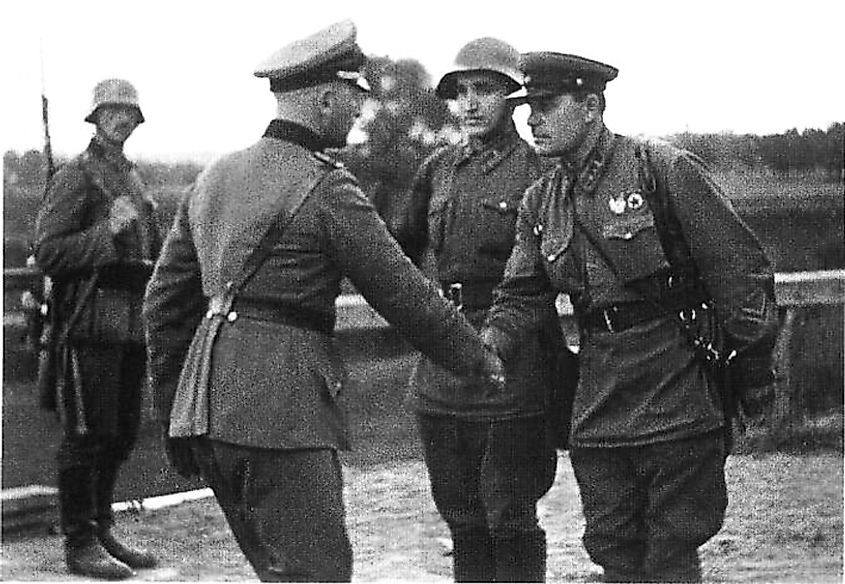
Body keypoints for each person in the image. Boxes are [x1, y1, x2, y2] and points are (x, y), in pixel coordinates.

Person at [142, 20, 504, 583]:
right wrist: (478, 359)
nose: (358, 113)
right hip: (280, 412)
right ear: (327, 96)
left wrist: (174, 412)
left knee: (276, 570)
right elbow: (402, 292)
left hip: (205, 410)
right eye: (354, 99)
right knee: (318, 573)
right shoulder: (324, 186)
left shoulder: (214, 175)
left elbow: (164, 305)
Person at [483, 52, 779, 582]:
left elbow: (740, 273)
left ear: (592, 105)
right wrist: (486, 346)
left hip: (677, 387)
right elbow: (521, 295)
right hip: (599, 399)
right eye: (530, 108)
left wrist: (754, 371)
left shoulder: (662, 170)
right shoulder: (541, 201)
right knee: (611, 546)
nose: (533, 120)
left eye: (547, 106)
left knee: (671, 551)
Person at [390, 37, 561, 582]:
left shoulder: (541, 172)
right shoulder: (439, 169)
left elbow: (547, 271)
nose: (469, 103)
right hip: (443, 361)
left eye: (484, 90)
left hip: (514, 365)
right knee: (460, 514)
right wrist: (425, 303)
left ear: (514, 98)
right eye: (462, 92)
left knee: (509, 512)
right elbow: (395, 248)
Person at [34, 78, 161, 580]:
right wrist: (104, 232)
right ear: (96, 118)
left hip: (132, 321)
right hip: (90, 321)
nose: (121, 119)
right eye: (112, 111)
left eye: (129, 112)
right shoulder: (76, 178)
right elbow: (49, 252)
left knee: (121, 433)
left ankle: (102, 526)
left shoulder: (132, 177)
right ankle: (79, 543)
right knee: (87, 433)